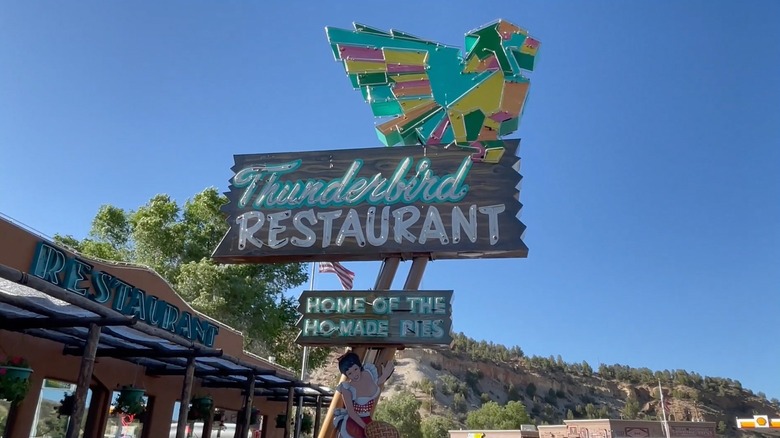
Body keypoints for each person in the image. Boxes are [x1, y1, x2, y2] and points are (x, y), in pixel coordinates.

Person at [332, 351, 395, 438]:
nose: (354, 374)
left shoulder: (367, 373)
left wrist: (384, 375)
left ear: (359, 366)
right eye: (350, 373)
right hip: (355, 423)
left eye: (355, 369)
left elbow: (375, 383)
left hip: (367, 420)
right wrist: (366, 427)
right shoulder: (347, 388)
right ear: (346, 375)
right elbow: (351, 412)